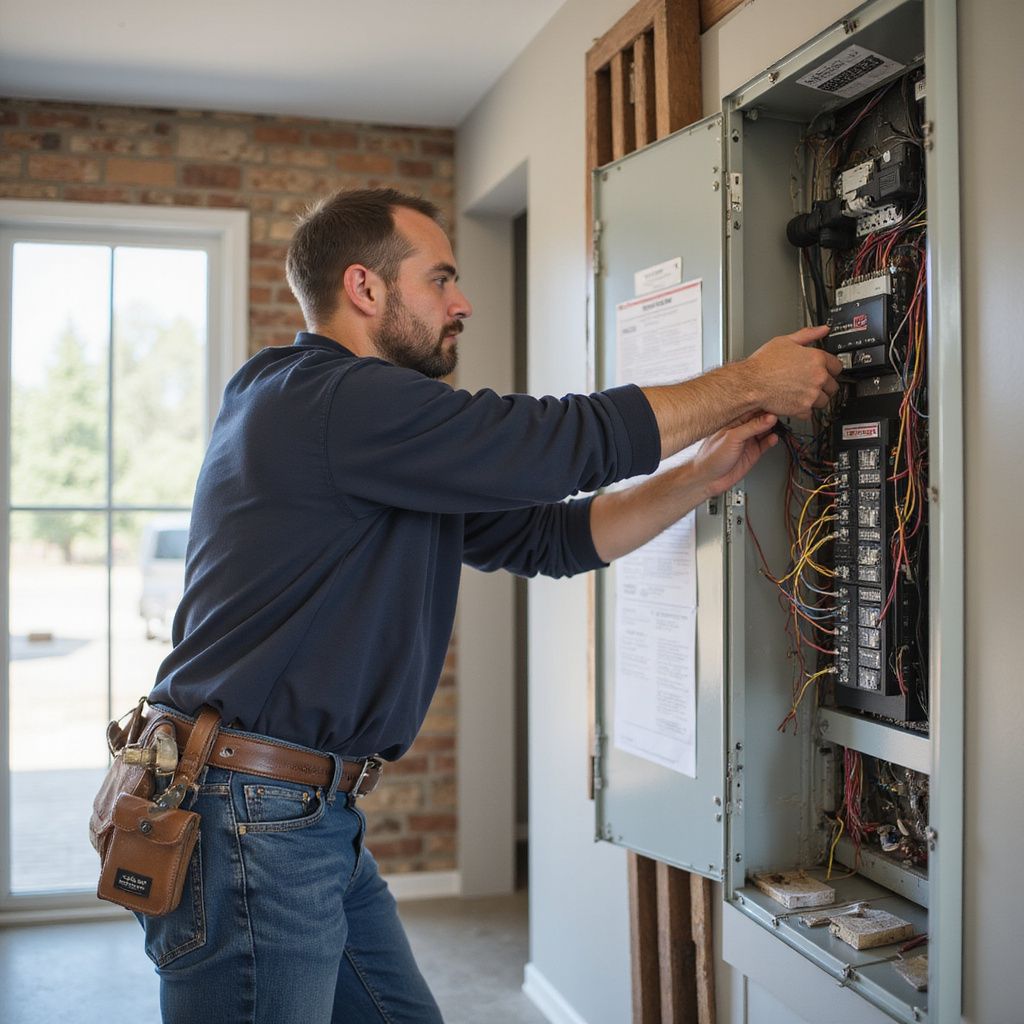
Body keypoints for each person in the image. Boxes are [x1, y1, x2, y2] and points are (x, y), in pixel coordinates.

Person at [140, 188, 841, 1023]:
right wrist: (751, 381)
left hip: (299, 818)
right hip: (250, 820)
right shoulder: (334, 400)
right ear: (365, 289)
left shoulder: (343, 423)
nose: (462, 303)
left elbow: (552, 539)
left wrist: (698, 475)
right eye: (440, 280)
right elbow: (559, 441)